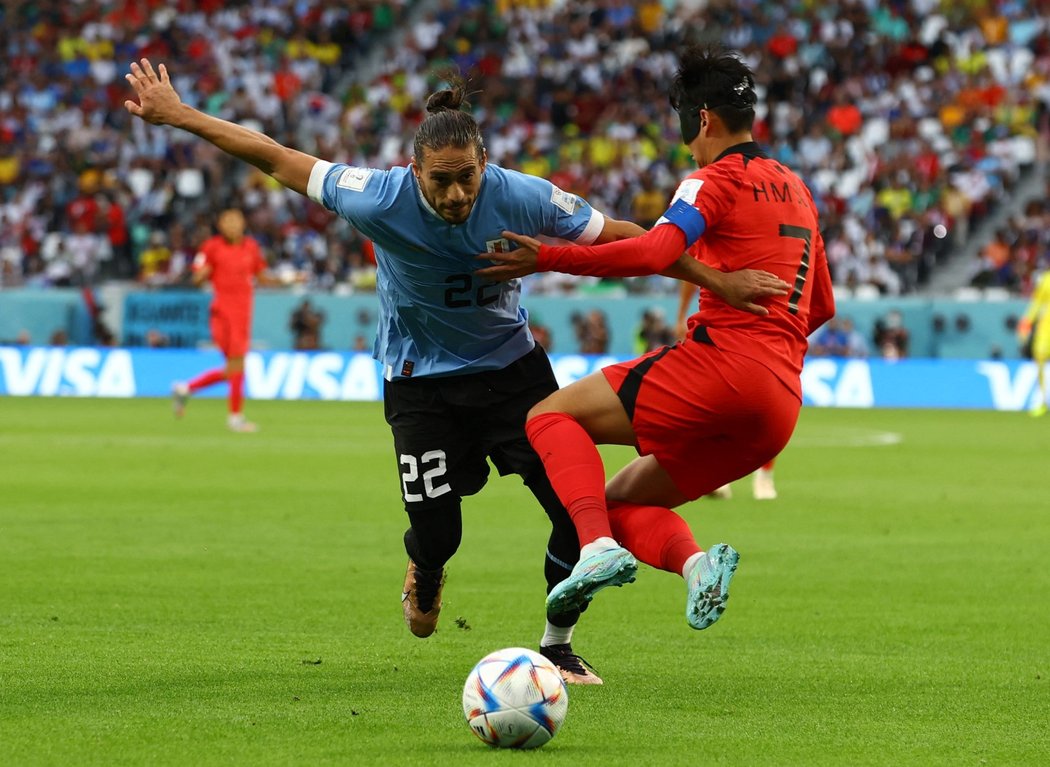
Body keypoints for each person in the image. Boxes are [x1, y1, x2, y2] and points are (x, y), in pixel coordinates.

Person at [124, 58, 786, 683]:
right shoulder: (375, 198)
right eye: (440, 179)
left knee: (574, 513)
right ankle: (427, 566)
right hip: (420, 383)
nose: (456, 192)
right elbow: (275, 156)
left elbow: (621, 235)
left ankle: (558, 647)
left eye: (467, 175)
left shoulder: (521, 196)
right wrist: (181, 116)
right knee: (441, 531)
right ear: (413, 171)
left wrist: (708, 277)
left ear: (484, 163)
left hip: (512, 373)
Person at [477, 47, 834, 630]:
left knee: (547, 419)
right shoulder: (798, 191)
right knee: (619, 504)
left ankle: (592, 548)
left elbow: (654, 251)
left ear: (701, 120)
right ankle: (698, 568)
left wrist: (547, 257)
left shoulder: (710, 180)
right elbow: (821, 306)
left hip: (721, 369)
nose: (686, 145)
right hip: (778, 406)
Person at [171, 208, 280, 433]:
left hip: (243, 314)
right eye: (227, 221)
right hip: (222, 313)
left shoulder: (251, 247)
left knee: (235, 367)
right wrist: (202, 274)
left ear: (242, 224)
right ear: (220, 225)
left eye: (235, 221)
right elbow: (197, 277)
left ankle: (186, 388)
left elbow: (262, 277)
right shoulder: (211, 247)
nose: (232, 225)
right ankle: (234, 417)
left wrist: (287, 278)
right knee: (236, 366)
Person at [676, 280, 780, 501]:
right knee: (745, 406)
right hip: (729, 333)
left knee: (748, 406)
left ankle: (763, 475)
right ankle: (722, 476)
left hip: (756, 332)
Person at [1018, 270, 1050, 417]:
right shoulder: (1046, 279)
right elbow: (1037, 303)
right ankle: (1042, 401)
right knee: (1040, 361)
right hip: (1045, 328)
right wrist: (1027, 322)